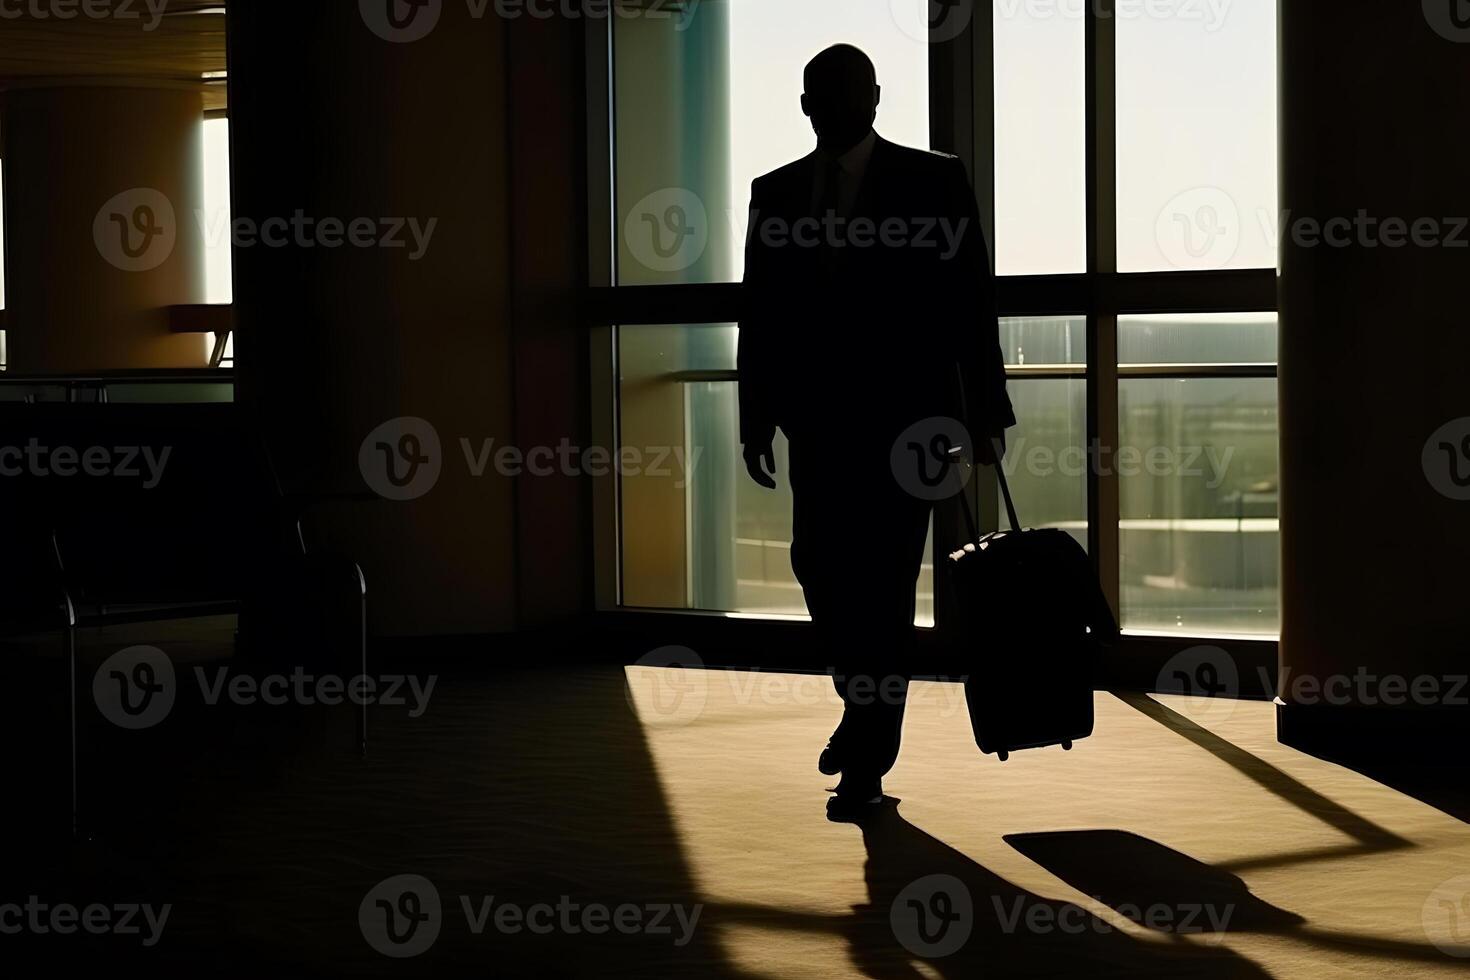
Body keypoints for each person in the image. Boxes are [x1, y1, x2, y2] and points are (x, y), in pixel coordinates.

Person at [738, 44, 1014, 820]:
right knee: (819, 568)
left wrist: (986, 414)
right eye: (822, 94)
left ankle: (867, 763)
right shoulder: (777, 192)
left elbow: (971, 303)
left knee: (886, 588)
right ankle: (863, 712)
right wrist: (756, 416)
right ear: (805, 105)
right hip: (819, 425)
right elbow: (758, 315)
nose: (834, 106)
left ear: (875, 98)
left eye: (847, 91)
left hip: (910, 425)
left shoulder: (934, 180)